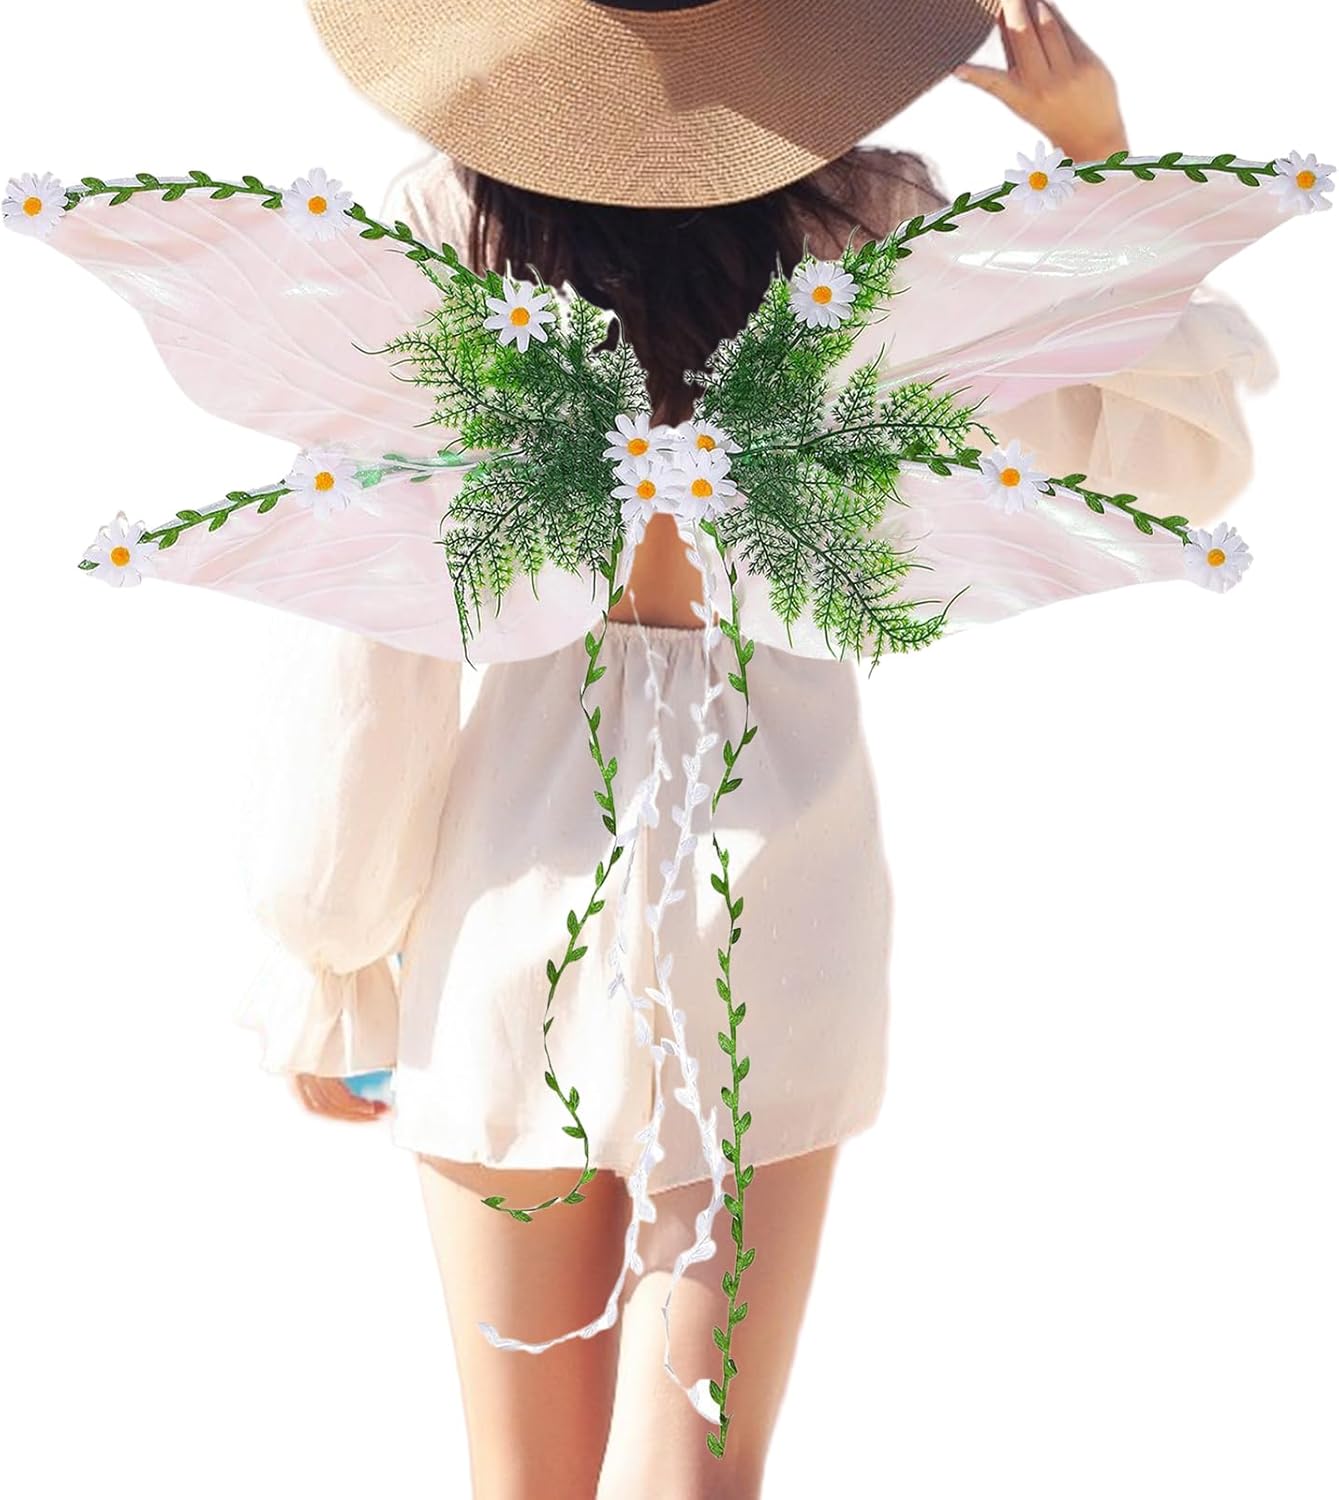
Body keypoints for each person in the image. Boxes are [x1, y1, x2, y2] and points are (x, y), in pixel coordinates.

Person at [237, 3, 1274, 1496]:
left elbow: (370, 629)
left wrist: (330, 950)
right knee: (700, 1481)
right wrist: (1097, 161)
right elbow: (1161, 453)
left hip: (520, 885)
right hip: (778, 882)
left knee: (522, 1482)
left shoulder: (449, 224)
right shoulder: (869, 222)